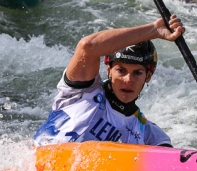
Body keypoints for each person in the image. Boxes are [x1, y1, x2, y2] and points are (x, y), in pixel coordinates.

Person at [32, 14, 185, 146]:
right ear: (108, 71)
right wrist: (153, 29)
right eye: (121, 70)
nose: (128, 80)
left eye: (137, 72)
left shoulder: (149, 134)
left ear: (148, 76)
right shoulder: (80, 92)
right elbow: (88, 46)